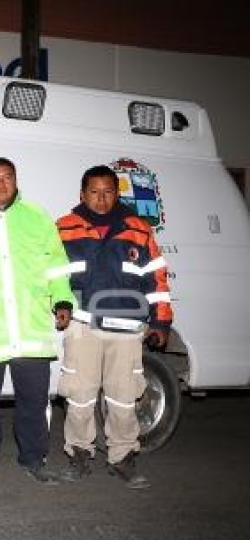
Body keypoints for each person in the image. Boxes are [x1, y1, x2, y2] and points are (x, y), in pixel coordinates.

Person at [56, 165, 173, 489]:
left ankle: (122, 458)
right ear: (82, 194)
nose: (101, 198)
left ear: (116, 193)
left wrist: (161, 320)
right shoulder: (64, 228)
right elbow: (51, 275)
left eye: (108, 191)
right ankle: (78, 454)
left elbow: (157, 280)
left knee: (124, 398)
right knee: (78, 395)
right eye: (94, 192)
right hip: (83, 327)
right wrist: (57, 306)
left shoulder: (138, 229)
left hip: (127, 329)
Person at [0, 157, 75, 485]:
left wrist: (63, 300)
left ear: (16, 181)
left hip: (31, 327)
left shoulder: (38, 218)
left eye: (7, 177)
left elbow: (57, 265)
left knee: (35, 401)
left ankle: (34, 459)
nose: (1, 183)